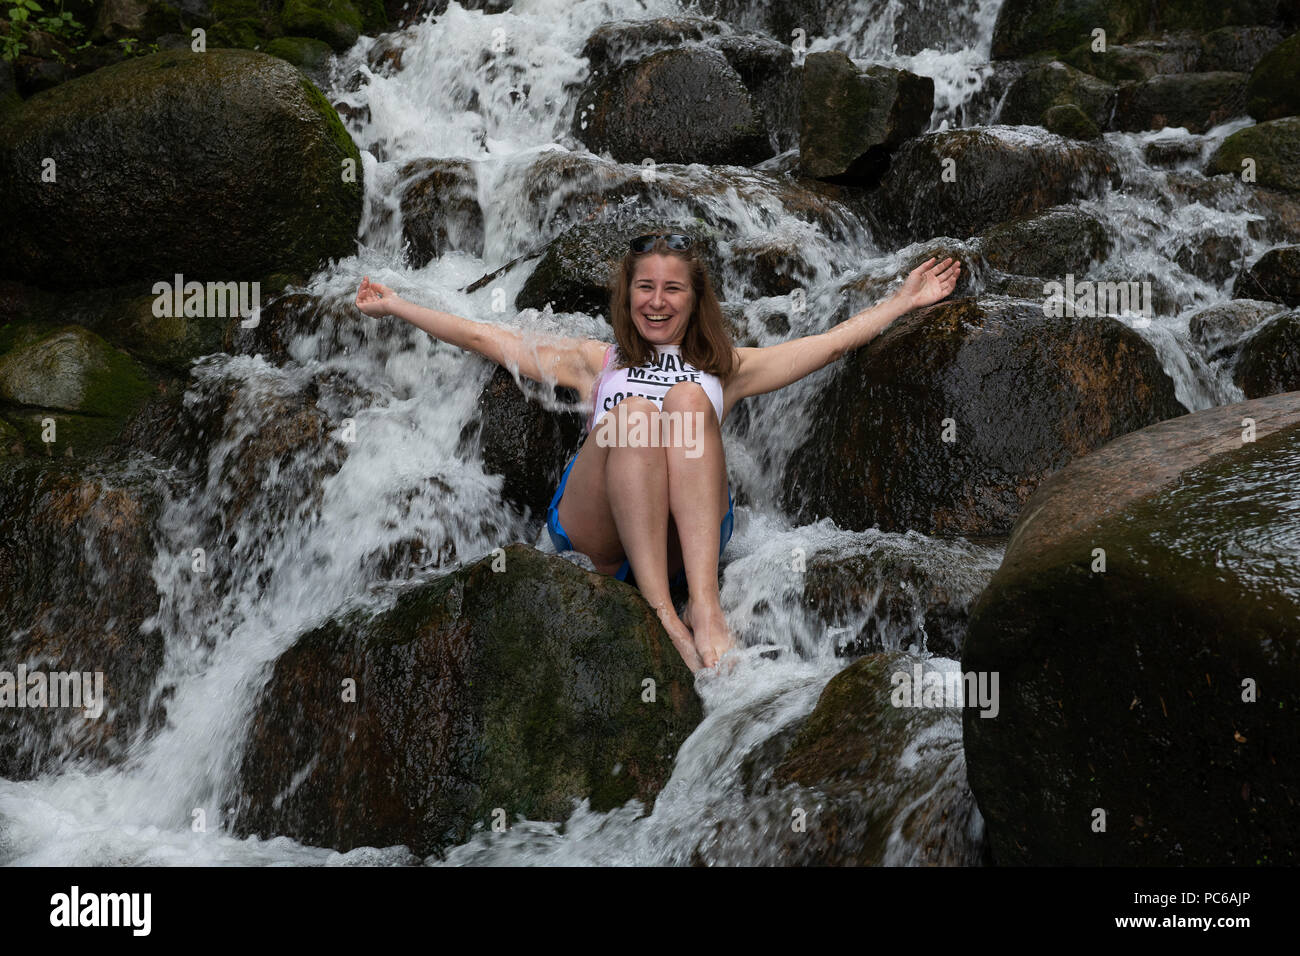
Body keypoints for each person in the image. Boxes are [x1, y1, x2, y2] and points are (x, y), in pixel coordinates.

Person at [355, 233, 960, 672]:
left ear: (694, 300)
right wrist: (397, 304)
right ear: (628, 293)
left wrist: (903, 301)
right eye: (645, 286)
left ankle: (703, 607)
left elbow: (826, 345)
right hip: (599, 529)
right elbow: (489, 337)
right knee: (637, 414)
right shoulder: (599, 361)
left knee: (691, 402)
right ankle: (660, 614)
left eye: (673, 288)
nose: (657, 300)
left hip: (681, 536)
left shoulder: (725, 370)